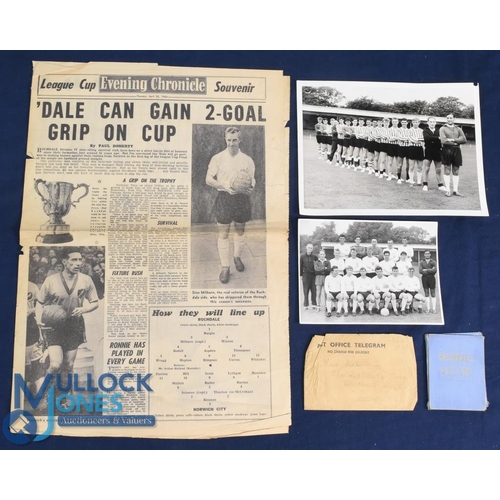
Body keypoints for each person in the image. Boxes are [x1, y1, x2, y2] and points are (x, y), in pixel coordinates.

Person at [35, 248, 99, 394]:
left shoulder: (86, 279)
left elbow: (95, 302)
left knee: (69, 365)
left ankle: (64, 396)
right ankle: (45, 391)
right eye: (74, 260)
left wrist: (84, 309)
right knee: (56, 364)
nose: (78, 263)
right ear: (64, 262)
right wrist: (39, 319)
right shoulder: (51, 280)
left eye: (80, 260)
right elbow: (40, 303)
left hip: (74, 324)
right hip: (54, 325)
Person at [206, 126, 256, 284]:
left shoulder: (247, 160)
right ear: (225, 139)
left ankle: (237, 257)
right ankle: (225, 267)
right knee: (223, 233)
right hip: (224, 198)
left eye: (235, 140)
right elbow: (208, 179)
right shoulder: (218, 158)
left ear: (240, 140)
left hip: (241, 199)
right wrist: (224, 186)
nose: (231, 143)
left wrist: (251, 187)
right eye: (229, 140)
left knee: (240, 231)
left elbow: (252, 179)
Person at [440, 113, 467, 197]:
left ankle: (455, 190)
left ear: (454, 119)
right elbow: (443, 141)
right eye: (447, 118)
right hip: (446, 150)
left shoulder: (458, 128)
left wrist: (452, 139)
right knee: (447, 170)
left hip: (456, 150)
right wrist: (457, 140)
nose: (449, 119)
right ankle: (448, 190)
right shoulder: (442, 128)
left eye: (451, 118)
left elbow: (464, 140)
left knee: (456, 170)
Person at [422, 117, 446, 192]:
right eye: (430, 122)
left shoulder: (439, 131)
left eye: (433, 122)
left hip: (437, 151)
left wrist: (436, 138)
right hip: (428, 150)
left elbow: (442, 139)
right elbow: (427, 138)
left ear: (435, 123)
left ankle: (440, 185)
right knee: (426, 168)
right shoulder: (425, 130)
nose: (432, 123)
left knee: (438, 170)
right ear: (428, 123)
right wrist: (437, 138)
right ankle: (425, 185)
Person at [300, 243, 318, 310]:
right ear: (306, 248)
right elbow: (300, 266)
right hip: (306, 275)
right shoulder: (302, 257)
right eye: (309, 247)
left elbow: (317, 266)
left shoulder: (315, 257)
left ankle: (314, 304)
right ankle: (306, 305)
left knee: (313, 290)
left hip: (313, 275)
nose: (310, 249)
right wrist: (301, 275)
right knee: (306, 290)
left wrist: (316, 274)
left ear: (312, 249)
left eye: (311, 248)